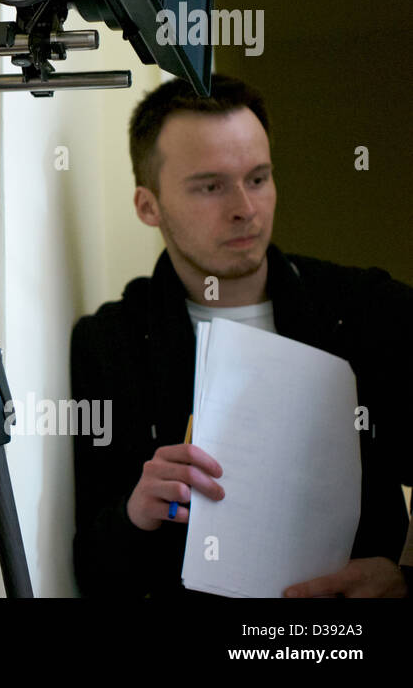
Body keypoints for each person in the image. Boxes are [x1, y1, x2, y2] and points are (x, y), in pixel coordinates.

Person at [70, 72, 411, 598]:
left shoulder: (363, 307)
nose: (245, 209)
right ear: (148, 206)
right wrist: (136, 512)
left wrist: (404, 574)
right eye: (210, 186)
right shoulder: (111, 343)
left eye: (257, 178)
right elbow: (91, 564)